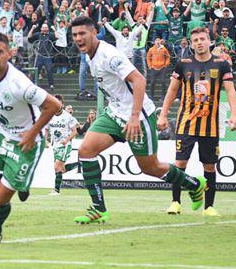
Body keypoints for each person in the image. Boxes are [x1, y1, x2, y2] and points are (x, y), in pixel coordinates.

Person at [70, 16, 206, 224]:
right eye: (75, 35)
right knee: (86, 151)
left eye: (82, 33)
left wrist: (134, 118)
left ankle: (194, 184)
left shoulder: (109, 55)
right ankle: (98, 209)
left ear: (94, 33)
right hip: (114, 114)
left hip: (138, 117)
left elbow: (139, 80)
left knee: (150, 167)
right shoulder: (90, 56)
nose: (78, 38)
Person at [0, 33, 61, 243]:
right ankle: (16, 182)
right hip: (1, 138)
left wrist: (32, 133)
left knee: (0, 198)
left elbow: (54, 105)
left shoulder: (20, 84)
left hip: (25, 144)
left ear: (10, 54)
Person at [158, 27, 236, 217]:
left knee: (209, 166)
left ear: (209, 41)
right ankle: (175, 203)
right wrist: (163, 115)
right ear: (191, 43)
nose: (199, 43)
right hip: (186, 122)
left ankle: (209, 207)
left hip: (210, 126)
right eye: (195, 40)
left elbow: (230, 90)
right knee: (180, 163)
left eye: (202, 39)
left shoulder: (222, 64)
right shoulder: (183, 64)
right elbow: (172, 91)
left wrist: (234, 115)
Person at [45, 95, 80, 195]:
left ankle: (56, 191)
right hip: (55, 145)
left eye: (59, 103)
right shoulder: (49, 115)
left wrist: (67, 140)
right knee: (61, 169)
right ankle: (80, 164)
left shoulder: (68, 117)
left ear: (62, 104)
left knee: (56, 166)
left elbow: (75, 131)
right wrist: (46, 141)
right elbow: (46, 129)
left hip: (65, 145)